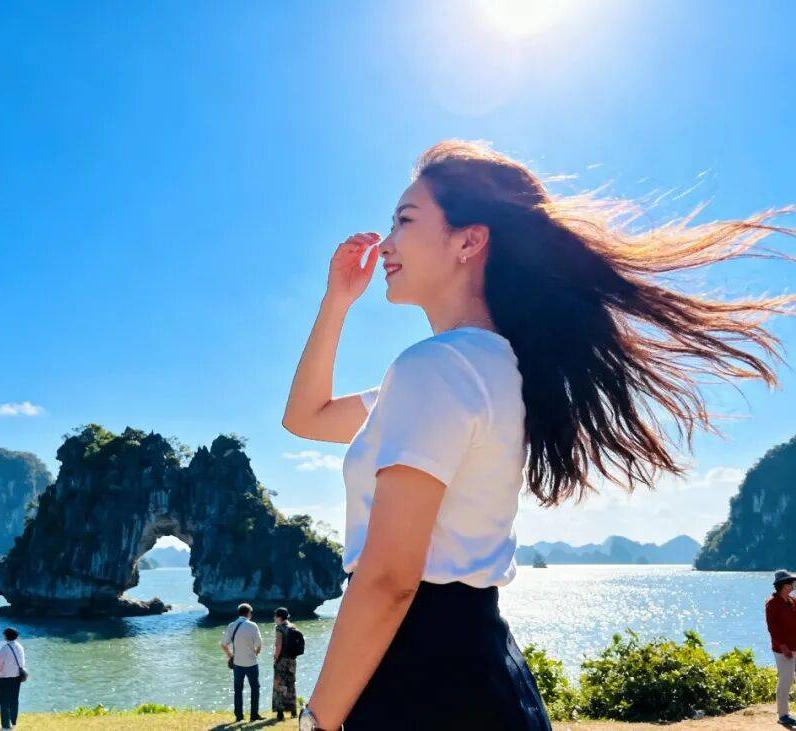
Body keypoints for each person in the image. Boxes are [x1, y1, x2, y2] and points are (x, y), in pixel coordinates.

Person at [282, 141, 794, 730]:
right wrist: (337, 300)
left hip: (421, 682)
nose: (386, 242)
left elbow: (389, 579)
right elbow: (308, 416)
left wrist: (318, 722)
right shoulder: (488, 369)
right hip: (480, 669)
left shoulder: (437, 369)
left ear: (469, 241)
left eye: (405, 220)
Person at [220, 603, 263, 723]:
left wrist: (231, 656)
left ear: (239, 613)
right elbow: (259, 645)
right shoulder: (253, 625)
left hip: (238, 664)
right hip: (251, 663)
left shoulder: (232, 625)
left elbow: (223, 644)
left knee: (238, 689)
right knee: (255, 688)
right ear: (249, 613)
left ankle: (239, 716)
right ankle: (254, 715)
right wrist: (256, 653)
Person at [767, 570, 796, 727]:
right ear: (784, 585)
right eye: (791, 582)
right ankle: (783, 715)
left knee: (790, 679)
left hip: (795, 646)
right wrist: (783, 646)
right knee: (786, 680)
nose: (793, 585)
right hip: (782, 650)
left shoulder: (791, 600)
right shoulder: (772, 603)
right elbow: (773, 627)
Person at [0, 627, 26, 730]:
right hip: (17, 678)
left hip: (5, 679)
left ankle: (5, 726)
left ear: (6, 636)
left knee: (4, 702)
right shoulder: (20, 647)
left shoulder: (5, 648)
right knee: (14, 700)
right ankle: (13, 723)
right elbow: (22, 664)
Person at [272, 608, 299, 722]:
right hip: (292, 660)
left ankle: (280, 713)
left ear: (279, 617)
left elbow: (278, 645)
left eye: (275, 616)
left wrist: (275, 658)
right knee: (291, 684)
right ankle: (293, 711)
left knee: (279, 684)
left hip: (282, 660)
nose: (274, 618)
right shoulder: (293, 626)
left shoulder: (279, 628)